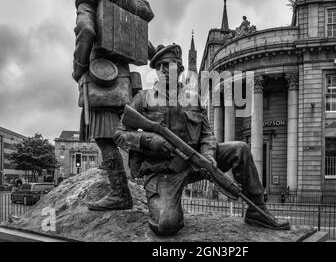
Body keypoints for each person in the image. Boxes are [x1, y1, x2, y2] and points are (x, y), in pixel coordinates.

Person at [114, 44, 290, 236]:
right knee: (167, 225)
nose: (164, 69)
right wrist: (147, 140)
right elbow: (120, 134)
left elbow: (207, 134)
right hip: (163, 172)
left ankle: (257, 210)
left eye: (169, 65)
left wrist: (209, 156)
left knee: (240, 148)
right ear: (156, 70)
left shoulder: (193, 98)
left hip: (195, 161)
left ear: (180, 70)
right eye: (160, 66)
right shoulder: (143, 97)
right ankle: (170, 207)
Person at [73, 0, 153, 211]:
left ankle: (120, 194)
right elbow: (146, 46)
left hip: (100, 81)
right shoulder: (127, 6)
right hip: (126, 85)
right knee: (126, 135)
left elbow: (86, 31)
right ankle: (149, 184)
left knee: (106, 140)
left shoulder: (89, 4)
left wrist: (79, 69)